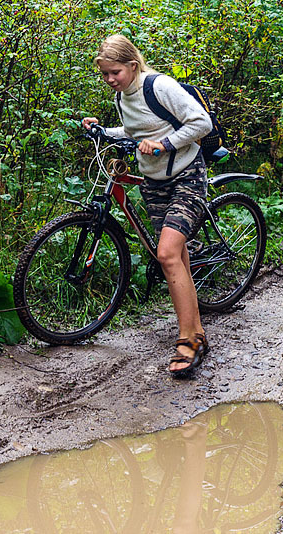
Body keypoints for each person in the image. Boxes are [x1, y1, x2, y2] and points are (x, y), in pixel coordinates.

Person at [82, 34, 213, 378]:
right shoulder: (122, 97)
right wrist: (103, 132)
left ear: (132, 65)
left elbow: (201, 122)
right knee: (175, 256)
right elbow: (134, 130)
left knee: (168, 253)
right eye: (105, 75)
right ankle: (196, 332)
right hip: (154, 184)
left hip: (187, 176)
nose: (110, 80)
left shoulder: (160, 86)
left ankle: (187, 341)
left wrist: (165, 144)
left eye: (115, 73)